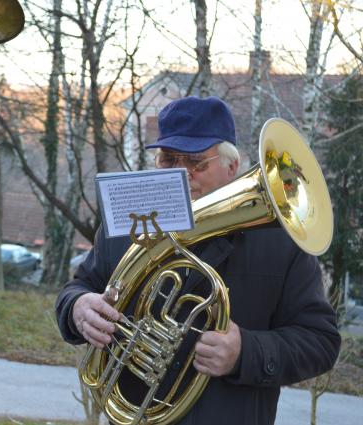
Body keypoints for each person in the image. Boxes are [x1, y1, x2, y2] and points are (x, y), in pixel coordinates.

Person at [55, 96, 341, 425]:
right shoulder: (127, 225)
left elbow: (321, 341)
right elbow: (77, 288)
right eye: (167, 159)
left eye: (196, 162)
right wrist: (77, 309)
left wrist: (245, 352)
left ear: (232, 167)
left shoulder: (281, 242)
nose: (180, 173)